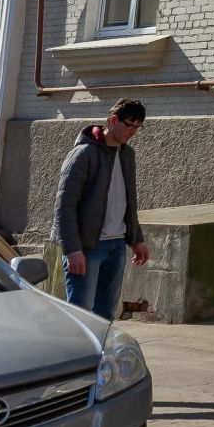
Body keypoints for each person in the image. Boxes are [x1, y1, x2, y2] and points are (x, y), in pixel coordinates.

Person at [52, 99, 151, 320]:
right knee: (81, 315)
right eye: (129, 125)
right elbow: (64, 206)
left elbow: (128, 201)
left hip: (116, 246)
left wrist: (136, 238)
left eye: (137, 127)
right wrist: (72, 249)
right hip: (87, 248)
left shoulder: (127, 155)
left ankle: (101, 355)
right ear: (113, 120)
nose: (133, 132)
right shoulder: (83, 154)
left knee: (106, 316)